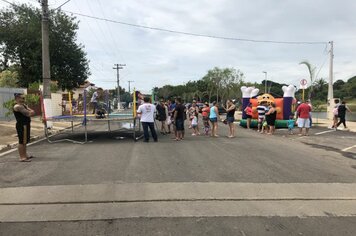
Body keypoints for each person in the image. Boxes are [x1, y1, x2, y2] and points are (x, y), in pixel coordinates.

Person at [13, 93, 35, 162]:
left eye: (24, 98)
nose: (23, 100)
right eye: (22, 98)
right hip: (22, 125)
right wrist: (30, 112)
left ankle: (25, 155)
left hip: (26, 124)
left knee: (25, 141)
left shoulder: (23, 105)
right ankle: (22, 157)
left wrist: (30, 111)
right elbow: (29, 114)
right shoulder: (18, 106)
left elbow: (32, 112)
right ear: (17, 99)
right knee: (21, 141)